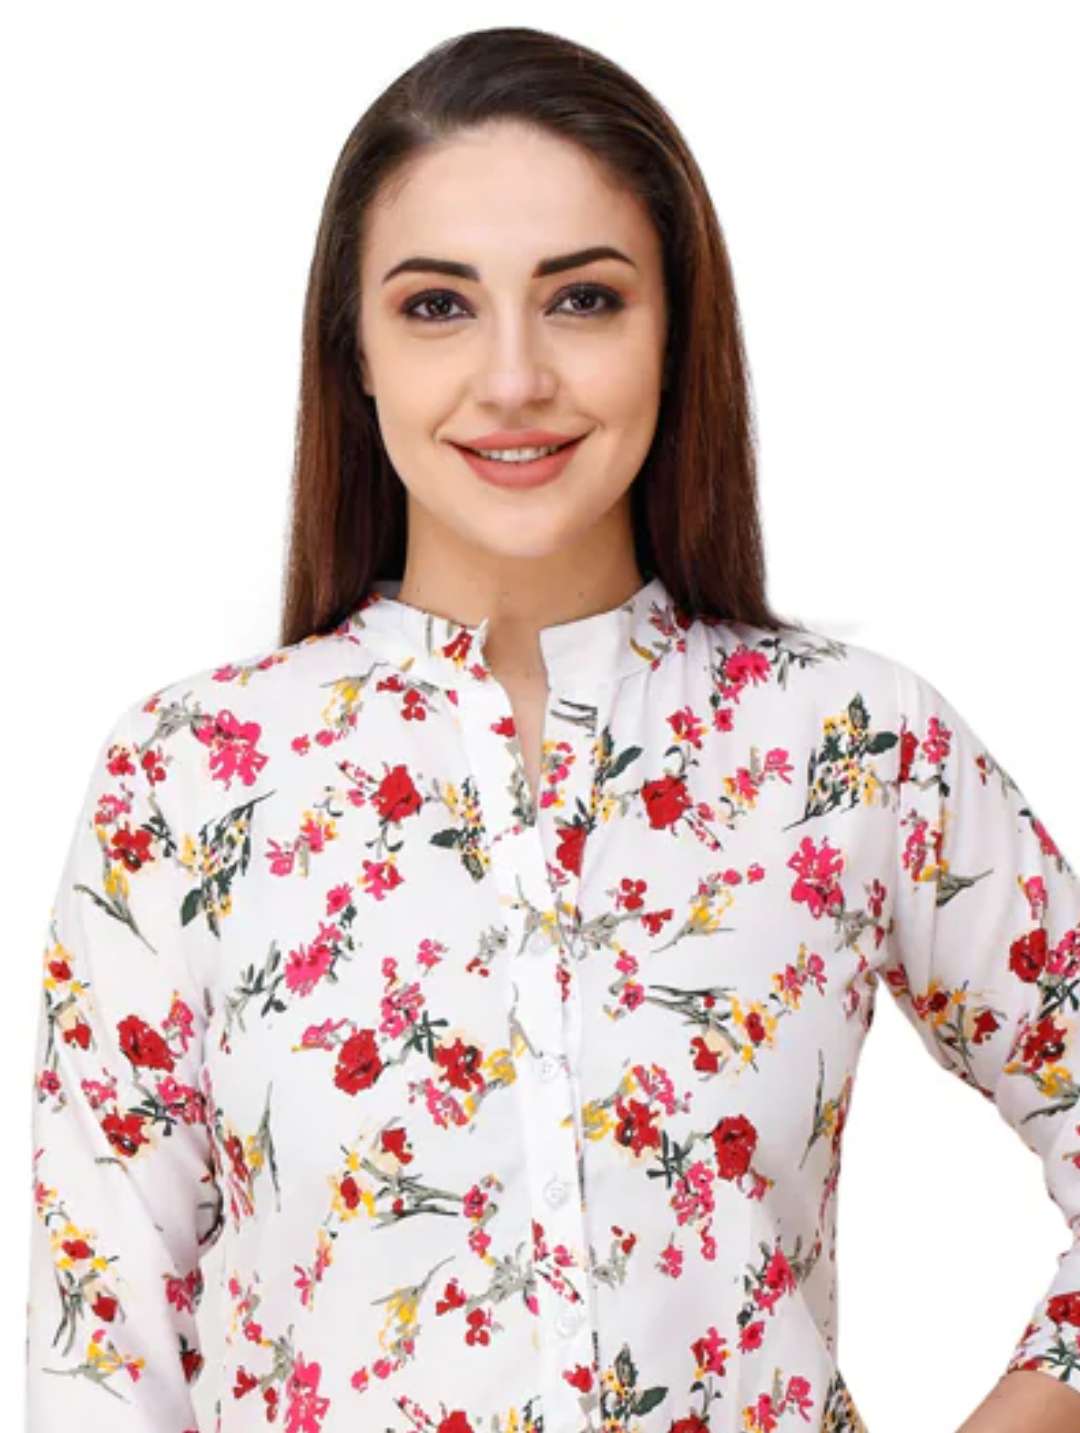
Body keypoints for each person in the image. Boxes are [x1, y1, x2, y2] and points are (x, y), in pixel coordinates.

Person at [22, 25, 1080, 1433]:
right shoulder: (188, 782)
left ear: (674, 332)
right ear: (355, 353)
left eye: (582, 299)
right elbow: (101, 1352)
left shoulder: (851, 746)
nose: (514, 378)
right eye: (438, 306)